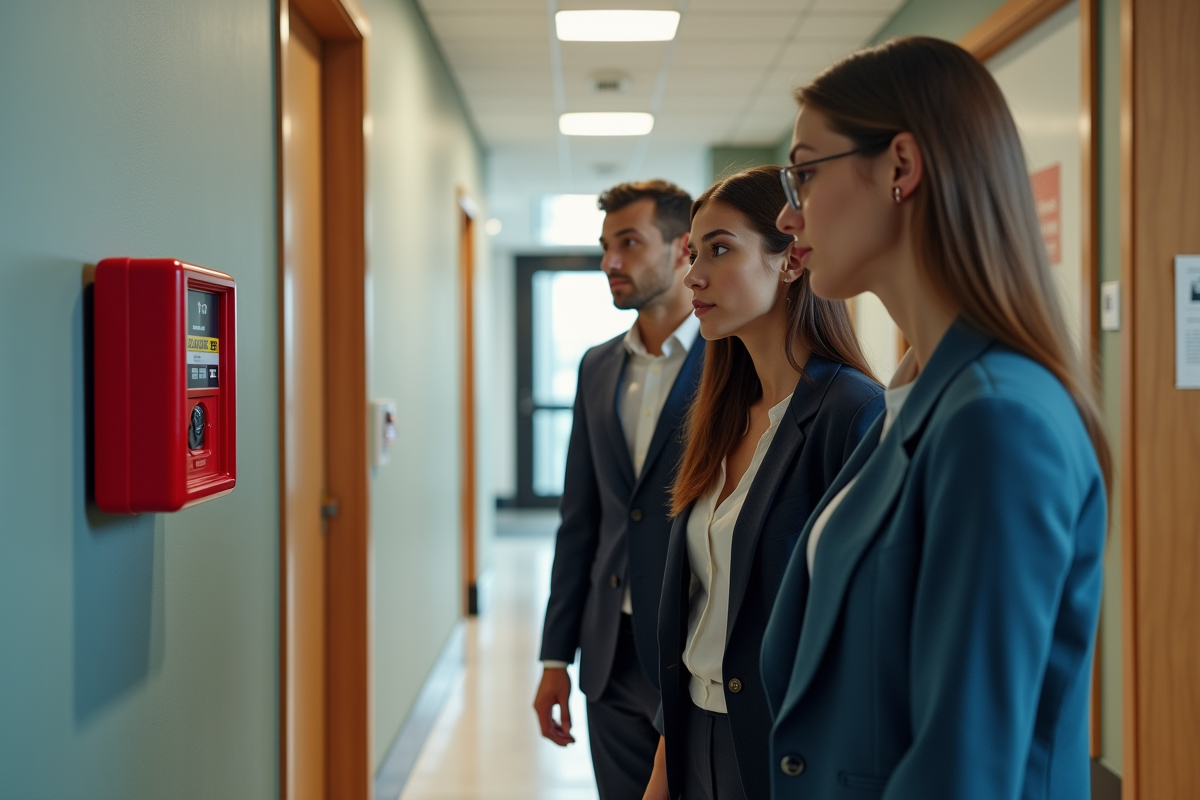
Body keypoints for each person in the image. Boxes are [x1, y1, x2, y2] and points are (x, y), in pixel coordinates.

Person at [761, 37, 1111, 800]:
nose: (789, 216)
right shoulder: (917, 394)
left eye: (804, 173)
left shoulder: (997, 419)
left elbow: (966, 766)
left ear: (900, 167)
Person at [641, 166, 885, 800]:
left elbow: (865, 641)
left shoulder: (853, 416)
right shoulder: (719, 415)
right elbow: (701, 612)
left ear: (791, 261)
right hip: (694, 736)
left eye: (720, 249)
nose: (693, 274)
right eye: (694, 253)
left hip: (786, 751)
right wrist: (666, 770)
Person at [534, 179, 704, 800]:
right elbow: (580, 518)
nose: (610, 262)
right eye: (606, 245)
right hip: (609, 654)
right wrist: (556, 656)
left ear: (683, 247)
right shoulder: (597, 365)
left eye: (629, 243)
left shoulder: (733, 359)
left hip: (693, 648)